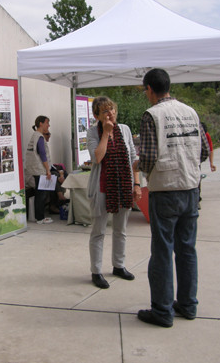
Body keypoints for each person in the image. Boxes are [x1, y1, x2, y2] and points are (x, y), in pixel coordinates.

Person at [134, 68, 210, 327]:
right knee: (187, 249)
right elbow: (204, 151)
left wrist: (136, 165)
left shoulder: (151, 115)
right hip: (191, 188)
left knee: (163, 250)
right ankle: (188, 305)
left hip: (165, 190)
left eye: (145, 91)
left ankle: (162, 310)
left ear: (150, 90)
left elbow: (148, 157)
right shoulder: (191, 112)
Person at [86, 97, 142, 289]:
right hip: (102, 188)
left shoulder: (125, 129)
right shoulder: (93, 132)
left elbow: (133, 158)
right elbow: (97, 158)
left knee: (121, 230)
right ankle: (96, 271)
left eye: (112, 109)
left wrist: (136, 184)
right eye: (105, 111)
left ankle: (119, 265)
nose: (111, 114)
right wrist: (105, 134)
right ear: (96, 116)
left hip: (123, 186)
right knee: (98, 232)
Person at [24, 115, 54, 224]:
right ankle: (40, 218)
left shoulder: (35, 136)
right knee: (41, 194)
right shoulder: (39, 137)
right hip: (39, 170)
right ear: (41, 123)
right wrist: (48, 170)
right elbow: (42, 154)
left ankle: (39, 217)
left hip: (33, 169)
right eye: (47, 123)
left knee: (39, 193)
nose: (48, 125)